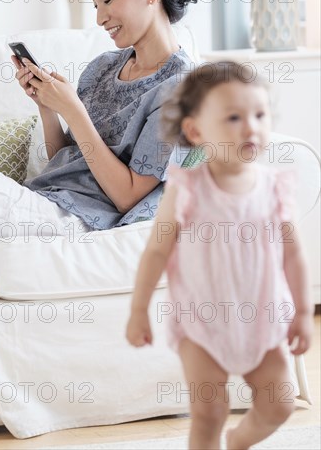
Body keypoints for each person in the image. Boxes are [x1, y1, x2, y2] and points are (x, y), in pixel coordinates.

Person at [0, 0, 201, 242]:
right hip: (40, 200)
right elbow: (65, 159)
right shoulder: (103, 68)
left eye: (108, 0)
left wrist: (73, 110)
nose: (100, 19)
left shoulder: (179, 89)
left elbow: (129, 197)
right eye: (96, 6)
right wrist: (46, 105)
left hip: (81, 219)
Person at [126, 61, 313, 450]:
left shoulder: (274, 188)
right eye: (233, 117)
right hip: (202, 323)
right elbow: (157, 250)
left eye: (259, 114)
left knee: (280, 403)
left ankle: (239, 440)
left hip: (263, 319)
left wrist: (304, 311)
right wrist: (139, 309)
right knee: (209, 413)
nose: (251, 127)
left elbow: (294, 255)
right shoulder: (188, 188)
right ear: (195, 130)